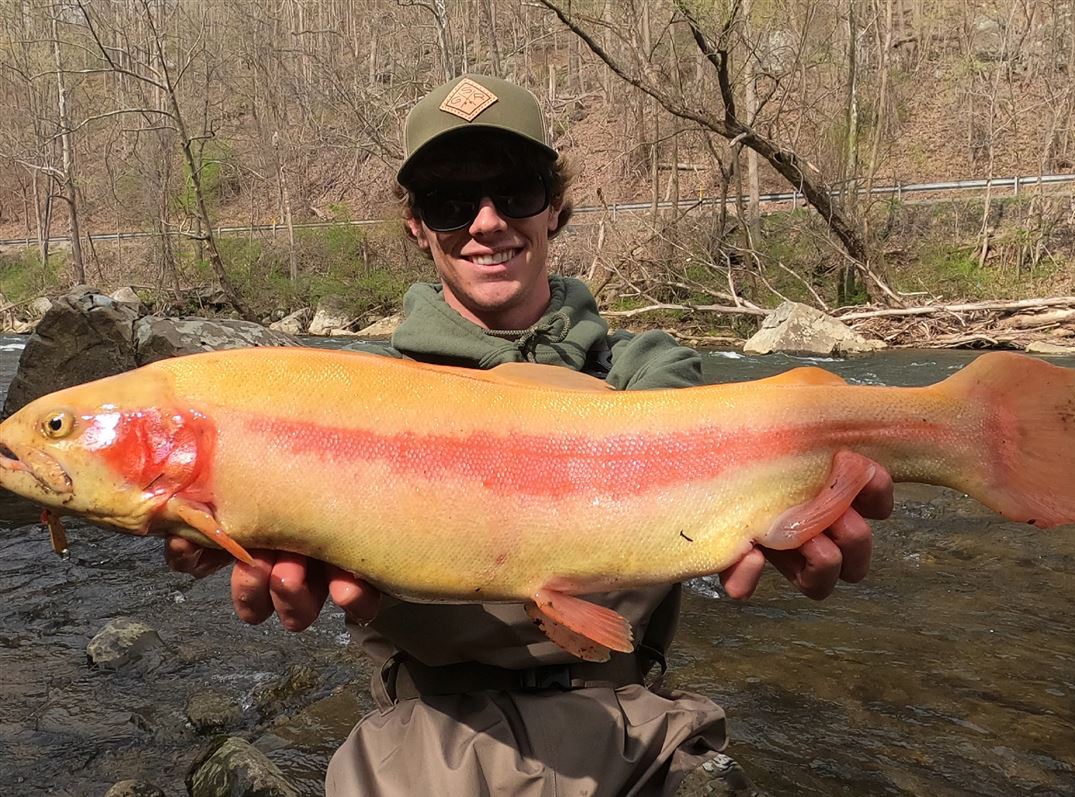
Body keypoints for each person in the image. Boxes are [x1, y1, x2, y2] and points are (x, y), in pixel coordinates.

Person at [167, 74, 893, 795]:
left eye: (514, 189)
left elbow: (731, 455)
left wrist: (800, 489)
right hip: (424, 749)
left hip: (641, 736)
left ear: (554, 207)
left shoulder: (645, 371)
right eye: (449, 202)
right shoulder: (354, 395)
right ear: (417, 226)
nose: (486, 221)